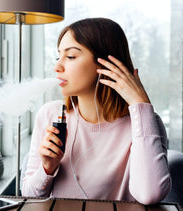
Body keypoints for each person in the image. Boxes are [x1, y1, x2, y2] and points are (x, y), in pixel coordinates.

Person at [22, 17, 171, 204]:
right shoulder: (50, 114)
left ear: (105, 64)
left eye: (70, 57)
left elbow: (150, 194)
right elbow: (29, 197)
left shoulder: (144, 122)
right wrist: (47, 168)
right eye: (58, 57)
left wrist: (140, 103)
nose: (57, 67)